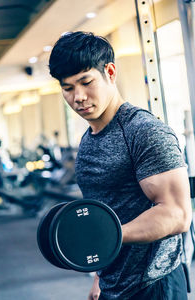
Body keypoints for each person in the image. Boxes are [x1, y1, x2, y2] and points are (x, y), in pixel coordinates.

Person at [48, 31, 192, 300]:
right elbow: (105, 208)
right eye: (67, 88)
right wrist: (100, 275)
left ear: (110, 72)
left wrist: (107, 236)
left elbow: (177, 214)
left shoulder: (145, 132)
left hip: (154, 285)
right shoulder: (89, 139)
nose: (78, 96)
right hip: (115, 284)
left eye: (86, 82)